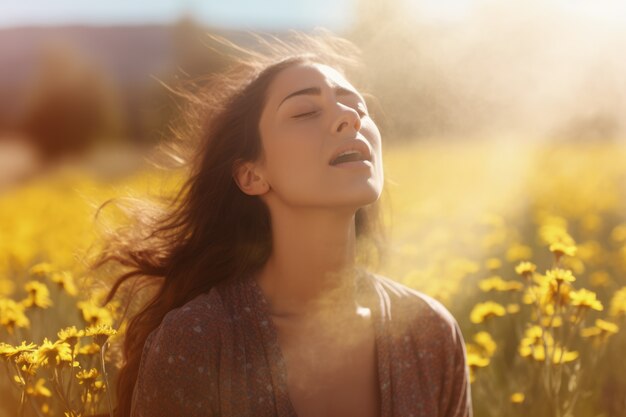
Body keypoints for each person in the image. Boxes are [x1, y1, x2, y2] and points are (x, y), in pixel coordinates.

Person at [91, 28, 472, 417]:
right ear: (251, 175)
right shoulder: (198, 341)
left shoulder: (432, 334)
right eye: (306, 111)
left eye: (358, 107)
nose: (348, 118)